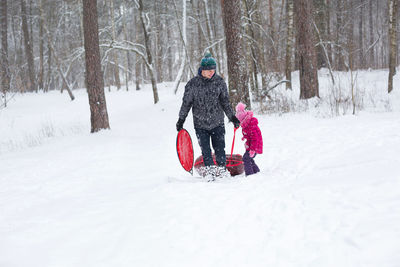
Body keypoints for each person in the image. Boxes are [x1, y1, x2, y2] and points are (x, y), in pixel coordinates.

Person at [176, 52, 240, 181]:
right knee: (205, 150)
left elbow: (225, 102)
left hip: (217, 122)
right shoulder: (192, 84)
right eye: (209, 70)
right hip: (200, 124)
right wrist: (181, 119)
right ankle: (210, 172)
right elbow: (186, 104)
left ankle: (221, 170)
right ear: (202, 70)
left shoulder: (220, 82)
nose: (212, 72)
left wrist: (232, 117)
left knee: (220, 148)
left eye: (213, 69)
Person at [235, 102, 263, 176]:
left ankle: (249, 174)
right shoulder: (247, 125)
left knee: (246, 158)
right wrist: (245, 137)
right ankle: (256, 171)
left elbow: (255, 139)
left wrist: (252, 150)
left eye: (240, 121)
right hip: (251, 144)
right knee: (248, 158)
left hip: (255, 146)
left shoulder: (250, 126)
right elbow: (249, 135)